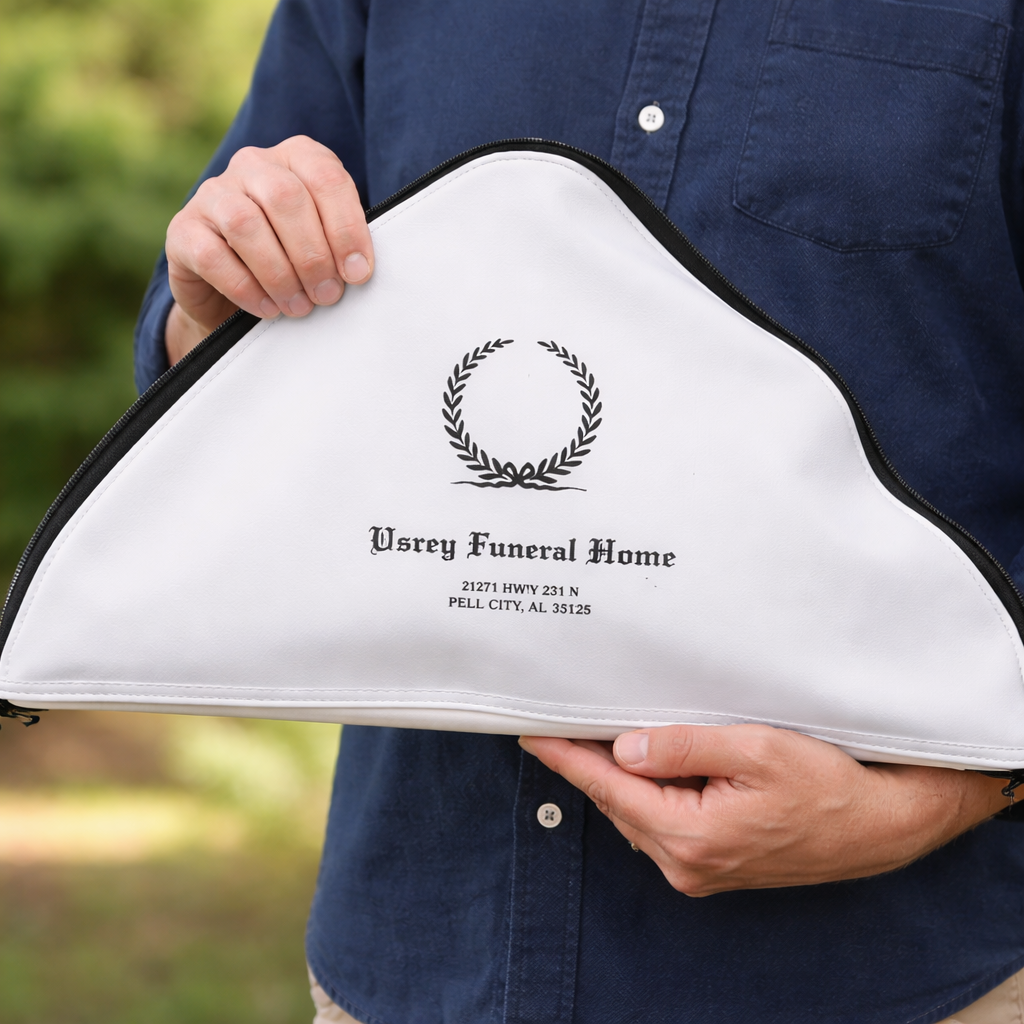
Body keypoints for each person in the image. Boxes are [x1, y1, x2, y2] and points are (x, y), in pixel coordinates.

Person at [134, 1, 1024, 1021]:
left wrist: (941, 800)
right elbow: (218, 351)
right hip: (413, 962)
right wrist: (215, 300)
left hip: (897, 978)